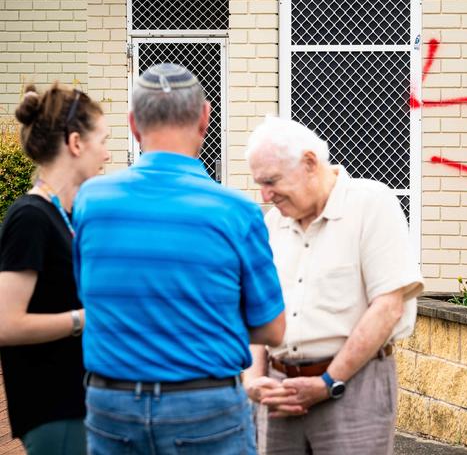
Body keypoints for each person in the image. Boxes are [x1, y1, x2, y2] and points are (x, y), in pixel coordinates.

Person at [72, 63, 286, 455]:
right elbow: (272, 330)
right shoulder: (235, 211)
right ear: (205, 118)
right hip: (205, 407)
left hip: (111, 405)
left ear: (134, 124)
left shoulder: (91, 201)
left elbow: (90, 295)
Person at [244, 115, 425, 454]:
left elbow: (388, 307)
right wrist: (254, 381)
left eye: (271, 181)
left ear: (309, 163)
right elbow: (258, 312)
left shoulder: (372, 204)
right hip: (279, 392)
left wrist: (327, 383)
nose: (265, 195)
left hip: (354, 387)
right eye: (259, 183)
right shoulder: (271, 224)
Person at [0, 83, 110, 455]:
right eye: (103, 141)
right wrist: (85, 318)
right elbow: (5, 323)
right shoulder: (30, 218)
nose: (107, 154)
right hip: (55, 411)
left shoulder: (62, 216)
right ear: (76, 143)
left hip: (78, 404)